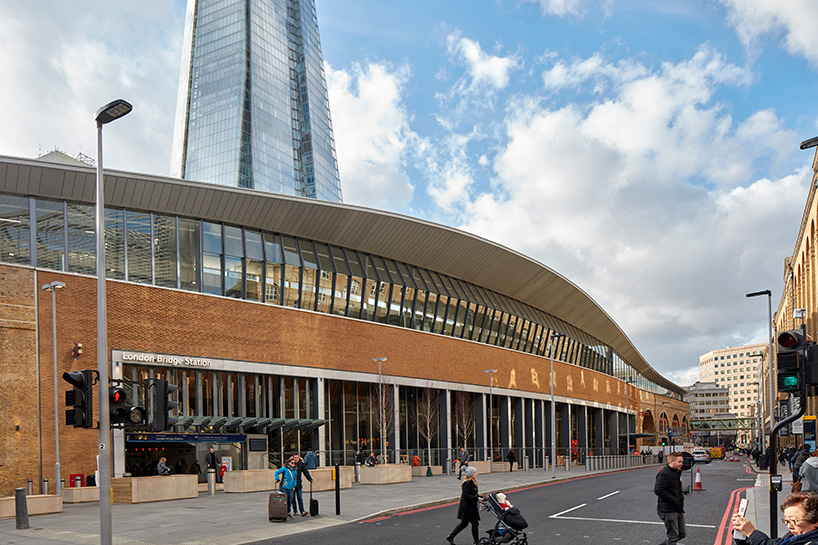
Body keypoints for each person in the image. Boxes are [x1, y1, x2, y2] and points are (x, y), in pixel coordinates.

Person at [733, 492, 818, 545]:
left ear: (815, 521)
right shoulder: (791, 538)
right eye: (786, 521)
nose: (789, 526)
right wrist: (743, 534)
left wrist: (752, 533)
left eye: (793, 521)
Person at [654, 451, 685, 545]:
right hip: (668, 509)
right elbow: (658, 490)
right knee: (673, 537)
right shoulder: (664, 473)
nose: (682, 464)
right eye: (679, 462)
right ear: (672, 461)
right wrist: (674, 500)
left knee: (682, 534)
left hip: (677, 508)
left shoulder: (676, 472)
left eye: (682, 462)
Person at [446, 466, 482, 545]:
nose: (476, 474)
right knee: (474, 523)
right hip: (467, 507)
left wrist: (480, 497)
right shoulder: (466, 483)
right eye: (475, 473)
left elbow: (473, 494)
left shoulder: (473, 482)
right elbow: (466, 496)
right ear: (471, 474)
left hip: (470, 506)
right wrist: (476, 498)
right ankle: (477, 542)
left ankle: (451, 536)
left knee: (464, 524)